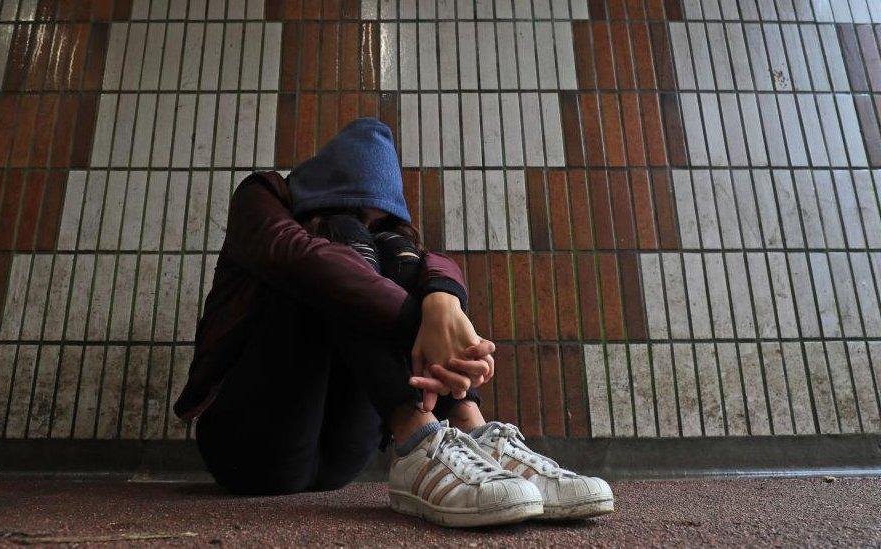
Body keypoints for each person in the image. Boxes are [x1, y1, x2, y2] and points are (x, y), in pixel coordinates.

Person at [174, 118, 614, 528]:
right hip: (248, 449)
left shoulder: (390, 239)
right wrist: (422, 327)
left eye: (378, 215)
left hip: (339, 456)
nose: (368, 225)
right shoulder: (263, 196)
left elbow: (430, 264)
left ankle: (471, 430)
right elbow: (302, 259)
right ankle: (417, 435)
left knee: (395, 250)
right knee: (340, 252)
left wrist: (443, 304)